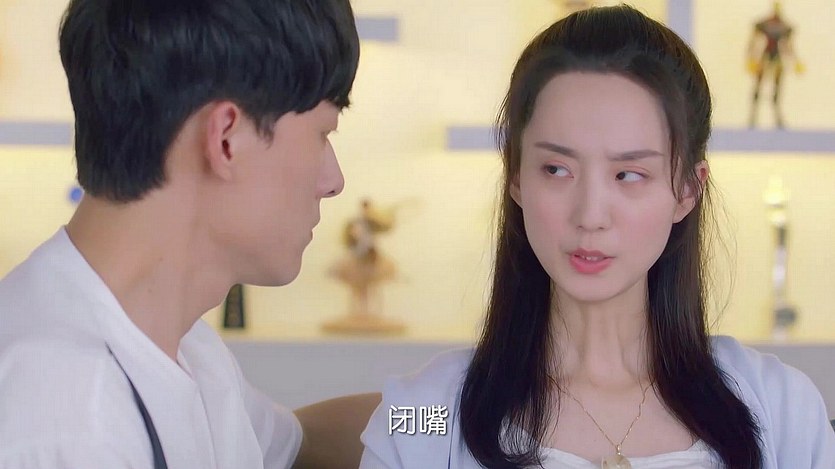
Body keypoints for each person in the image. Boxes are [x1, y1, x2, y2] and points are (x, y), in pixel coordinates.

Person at [360, 5, 835, 469]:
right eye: (556, 169)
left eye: (628, 175)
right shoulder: (423, 413)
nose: (590, 215)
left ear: (688, 190)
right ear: (516, 177)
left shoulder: (784, 410)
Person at [0, 0, 358, 468]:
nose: (334, 181)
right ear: (226, 139)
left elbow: (301, 444)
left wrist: (444, 404)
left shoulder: (182, 345)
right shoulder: (69, 423)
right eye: (323, 133)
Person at [746, 1, 804, 128]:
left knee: (776, 88)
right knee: (758, 87)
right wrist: (751, 57)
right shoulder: (766, 24)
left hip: (776, 57)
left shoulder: (783, 26)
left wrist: (795, 61)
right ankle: (753, 117)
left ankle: (776, 119)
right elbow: (754, 39)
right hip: (766, 56)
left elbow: (788, 46)